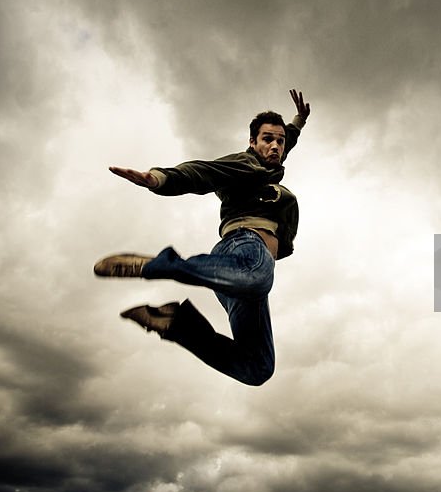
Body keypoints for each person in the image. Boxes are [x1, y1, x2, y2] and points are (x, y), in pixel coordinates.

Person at [94, 89, 311, 386]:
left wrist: (299, 120)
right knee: (259, 278)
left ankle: (176, 324)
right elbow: (203, 172)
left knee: (258, 367)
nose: (275, 146)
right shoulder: (246, 165)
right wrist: (160, 179)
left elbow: (287, 140)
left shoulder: (272, 159)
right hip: (244, 249)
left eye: (280, 141)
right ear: (252, 142)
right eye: (267, 140)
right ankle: (162, 265)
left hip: (236, 277)